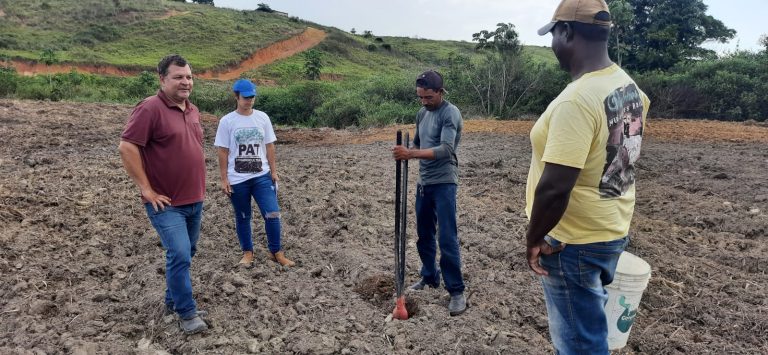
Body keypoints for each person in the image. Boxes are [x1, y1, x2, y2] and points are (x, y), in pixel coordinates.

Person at [524, 0, 650, 353]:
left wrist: (534, 238)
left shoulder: (576, 101)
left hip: (572, 242)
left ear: (566, 32)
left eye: (553, 35)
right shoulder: (629, 88)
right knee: (592, 329)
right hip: (610, 228)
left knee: (579, 343)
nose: (553, 45)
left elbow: (554, 187)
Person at [119, 54, 208, 335]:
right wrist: (146, 189)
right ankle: (186, 312)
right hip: (166, 203)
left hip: (195, 198)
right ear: (162, 79)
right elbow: (127, 147)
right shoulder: (150, 108)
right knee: (179, 253)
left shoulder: (192, 110)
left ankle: (172, 301)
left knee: (188, 251)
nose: (185, 82)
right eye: (178, 77)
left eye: (189, 77)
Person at [392, 70, 466, 316]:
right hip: (424, 183)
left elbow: (446, 149)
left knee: (446, 237)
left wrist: (410, 154)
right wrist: (406, 150)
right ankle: (430, 276)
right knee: (424, 234)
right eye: (420, 97)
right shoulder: (422, 113)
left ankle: (456, 290)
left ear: (440, 92)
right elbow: (418, 145)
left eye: (428, 97)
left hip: (444, 183)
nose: (424, 101)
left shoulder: (450, 113)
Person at [214, 79, 295, 268]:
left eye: (252, 97)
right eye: (245, 97)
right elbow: (222, 151)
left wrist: (273, 171)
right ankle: (248, 253)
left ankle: (276, 252)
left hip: (261, 176)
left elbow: (269, 145)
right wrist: (224, 178)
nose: (249, 101)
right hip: (237, 179)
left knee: (273, 213)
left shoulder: (262, 118)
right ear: (236, 97)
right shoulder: (227, 121)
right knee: (243, 217)